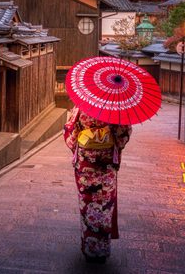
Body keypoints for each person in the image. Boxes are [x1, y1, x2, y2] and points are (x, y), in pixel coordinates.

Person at [63, 107, 132, 263]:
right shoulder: (117, 109)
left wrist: (85, 143)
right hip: (106, 166)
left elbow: (70, 131)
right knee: (104, 206)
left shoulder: (81, 107)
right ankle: (102, 250)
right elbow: (123, 136)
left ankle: (89, 248)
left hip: (85, 165)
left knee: (87, 205)